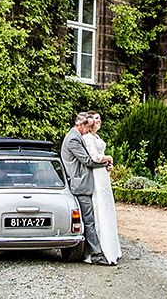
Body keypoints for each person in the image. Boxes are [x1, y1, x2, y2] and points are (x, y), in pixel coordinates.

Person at [60, 111, 113, 265]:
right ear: (80, 124)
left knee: (90, 219)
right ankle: (96, 254)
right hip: (81, 184)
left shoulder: (76, 136)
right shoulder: (73, 139)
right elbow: (87, 160)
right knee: (88, 221)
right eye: (87, 126)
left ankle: (93, 251)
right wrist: (106, 162)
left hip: (84, 182)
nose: (88, 130)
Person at [82, 112, 121, 264]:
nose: (99, 121)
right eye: (96, 118)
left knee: (107, 207)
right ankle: (100, 249)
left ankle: (112, 248)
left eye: (100, 118)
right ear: (90, 121)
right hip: (96, 175)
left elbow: (100, 158)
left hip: (102, 174)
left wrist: (108, 165)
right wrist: (109, 158)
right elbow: (95, 157)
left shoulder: (97, 137)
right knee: (100, 209)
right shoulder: (87, 138)